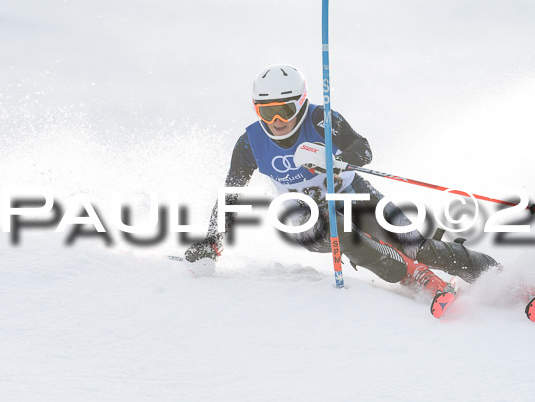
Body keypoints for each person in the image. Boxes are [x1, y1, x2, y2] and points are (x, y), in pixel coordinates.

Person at [184, 64, 499, 313]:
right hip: (304, 216)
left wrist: (335, 161)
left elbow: (362, 150)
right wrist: (212, 241)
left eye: (286, 110)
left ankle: (496, 276)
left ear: (301, 104)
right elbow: (231, 195)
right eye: (268, 111)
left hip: (353, 193)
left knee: (416, 244)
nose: (277, 120)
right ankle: (412, 275)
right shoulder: (249, 144)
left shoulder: (321, 120)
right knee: (342, 233)